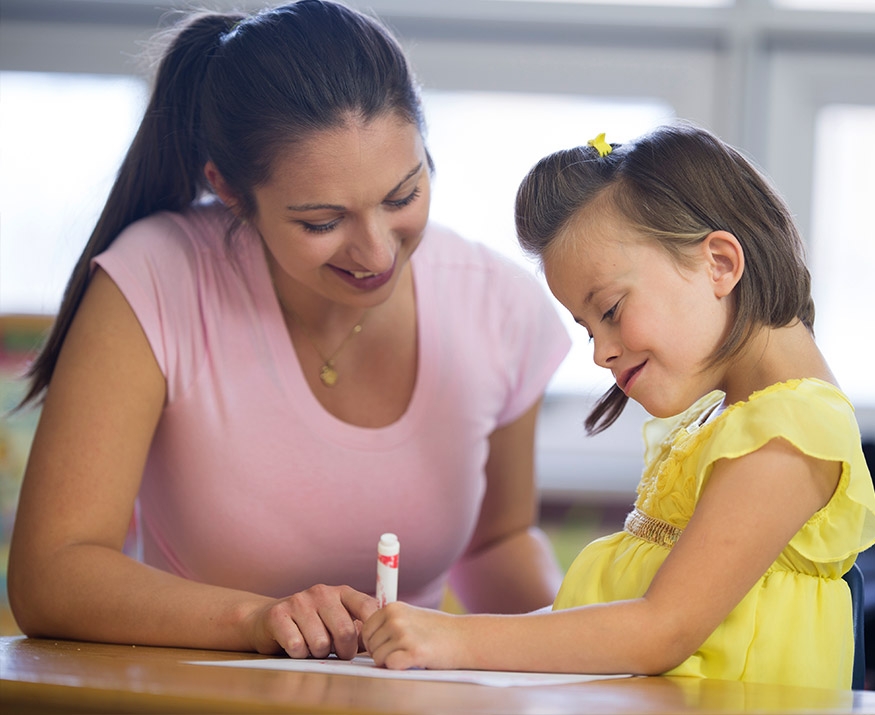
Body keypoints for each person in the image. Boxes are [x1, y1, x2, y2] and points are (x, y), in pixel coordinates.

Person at [7, 0, 570, 660]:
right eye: (321, 221)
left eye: (401, 196)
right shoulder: (155, 276)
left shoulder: (498, 303)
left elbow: (493, 543)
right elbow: (51, 573)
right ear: (231, 191)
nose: (377, 251)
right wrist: (260, 619)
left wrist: (584, 638)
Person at [361, 122, 875, 689]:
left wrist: (452, 638)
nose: (603, 354)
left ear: (720, 264)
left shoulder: (790, 432)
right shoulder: (722, 426)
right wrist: (433, 638)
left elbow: (662, 629)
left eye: (609, 310)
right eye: (586, 330)